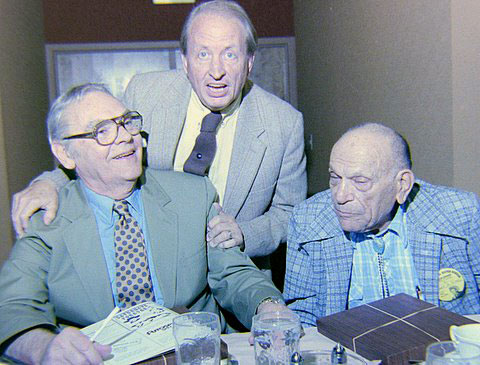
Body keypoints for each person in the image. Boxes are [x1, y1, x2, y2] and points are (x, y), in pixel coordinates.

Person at [0, 84, 288, 364]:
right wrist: (43, 349)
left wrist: (269, 308)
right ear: (65, 153)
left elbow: (234, 274)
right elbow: (11, 307)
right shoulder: (47, 219)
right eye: (102, 131)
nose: (125, 137)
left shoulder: (193, 195)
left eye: (127, 123)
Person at [11, 0, 307, 271]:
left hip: (235, 273)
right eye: (203, 54)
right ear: (186, 61)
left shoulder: (284, 123)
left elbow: (289, 214)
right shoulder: (146, 93)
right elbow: (102, 149)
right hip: (150, 270)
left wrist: (244, 234)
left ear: (250, 62)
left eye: (230, 54)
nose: (217, 71)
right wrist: (51, 182)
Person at [283, 123, 480, 327]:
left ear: (402, 185)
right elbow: (302, 314)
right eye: (335, 178)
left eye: (360, 181)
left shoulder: (460, 213)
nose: (340, 196)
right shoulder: (308, 219)